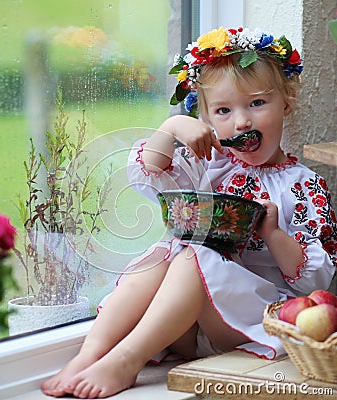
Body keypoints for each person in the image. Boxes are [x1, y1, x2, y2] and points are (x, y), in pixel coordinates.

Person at [42, 27, 337, 399]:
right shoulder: (208, 163)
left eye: (256, 104)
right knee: (169, 252)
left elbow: (314, 284)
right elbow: (149, 172)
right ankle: (90, 354)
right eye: (223, 111)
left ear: (287, 102)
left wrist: (273, 234)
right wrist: (172, 127)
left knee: (194, 253)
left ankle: (127, 359)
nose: (241, 122)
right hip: (180, 326)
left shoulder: (304, 185)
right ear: (207, 116)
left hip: (249, 322)